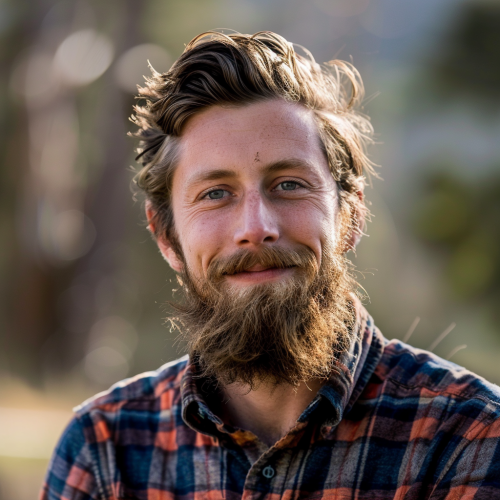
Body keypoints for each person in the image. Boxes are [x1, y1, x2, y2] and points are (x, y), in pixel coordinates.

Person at [41, 31, 500, 500]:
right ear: (166, 236)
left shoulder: (470, 438)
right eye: (215, 193)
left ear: (351, 216)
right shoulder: (104, 451)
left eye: (289, 185)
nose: (256, 227)